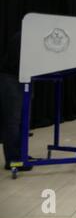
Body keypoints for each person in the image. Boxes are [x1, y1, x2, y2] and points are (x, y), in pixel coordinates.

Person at [0, 31, 32, 171]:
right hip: (12, 77)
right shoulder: (22, 36)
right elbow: (17, 60)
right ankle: (13, 159)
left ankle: (21, 154)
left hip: (24, 78)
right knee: (13, 120)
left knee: (23, 120)